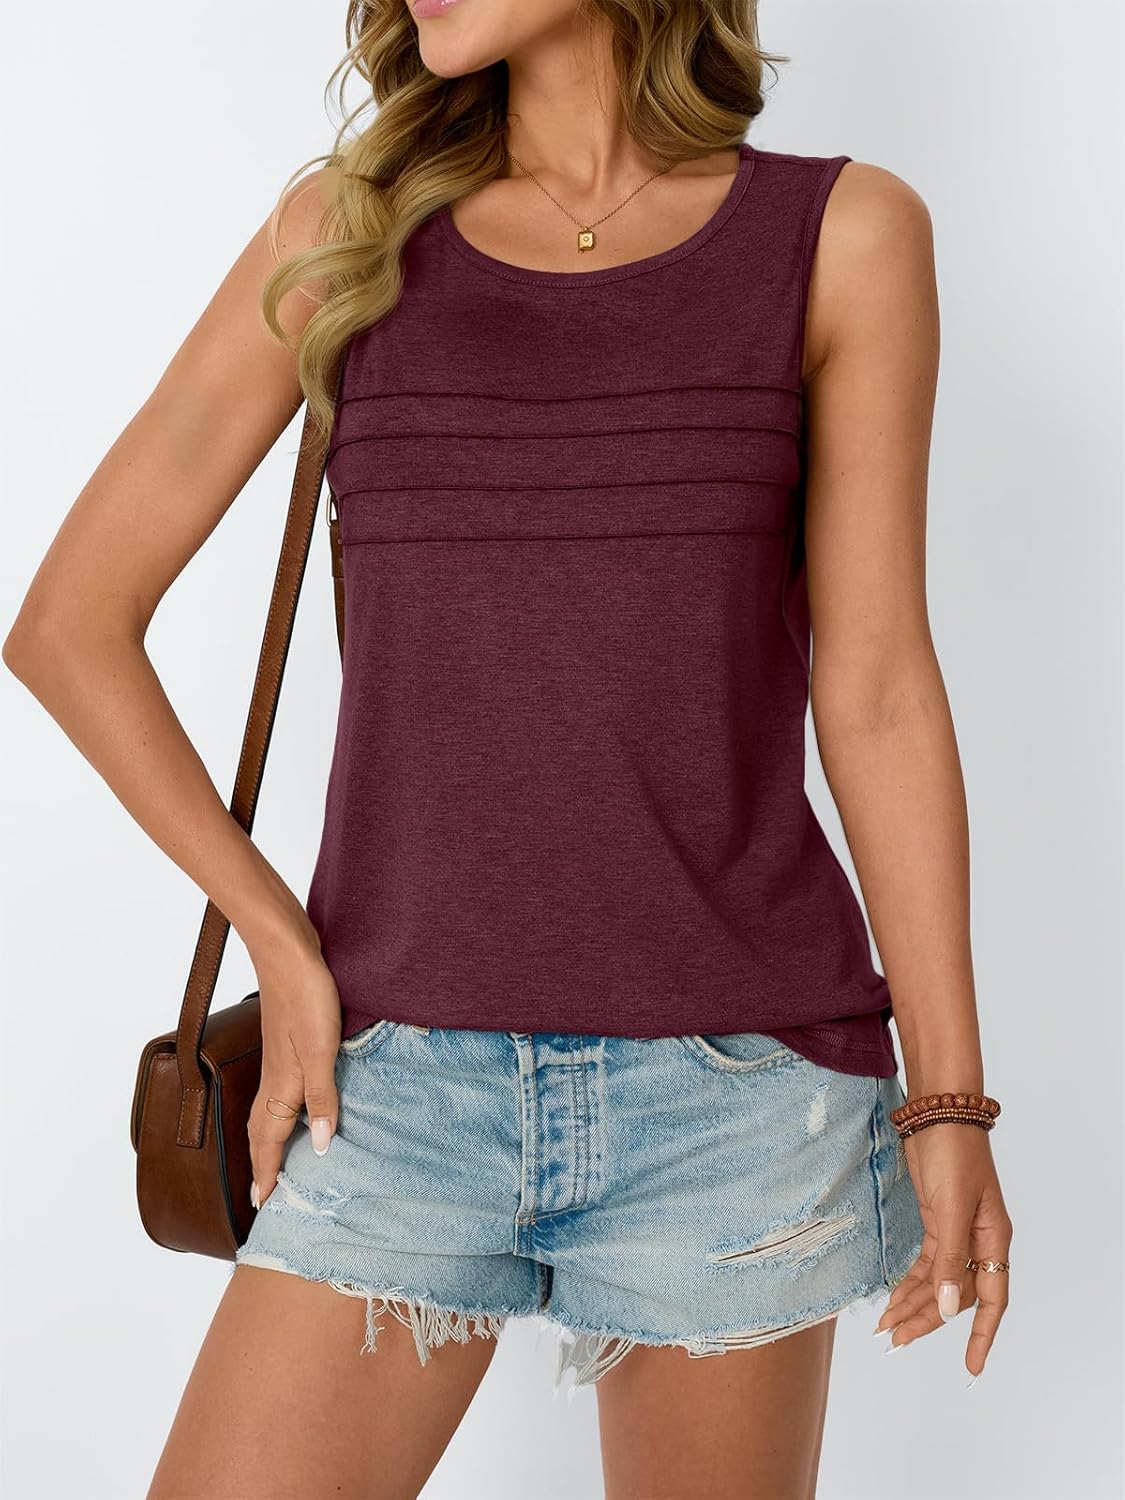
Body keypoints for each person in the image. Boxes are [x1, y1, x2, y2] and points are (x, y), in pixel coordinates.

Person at [3, 1, 1014, 1496]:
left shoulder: (842, 238)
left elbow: (875, 690)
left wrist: (948, 1098)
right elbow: (68, 626)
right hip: (384, 1086)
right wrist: (278, 939)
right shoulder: (344, 235)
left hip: (734, 1098)